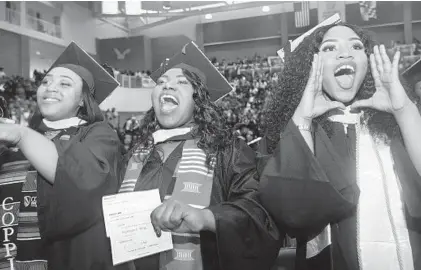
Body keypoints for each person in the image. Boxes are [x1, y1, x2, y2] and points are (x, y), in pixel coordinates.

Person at [258, 20, 421, 270]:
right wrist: (303, 119)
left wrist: (404, 110)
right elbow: (292, 211)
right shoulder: (304, 133)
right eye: (329, 48)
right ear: (312, 67)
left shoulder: (396, 127)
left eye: (356, 47)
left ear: (367, 62)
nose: (345, 53)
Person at [116, 41, 281, 270]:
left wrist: (206, 218)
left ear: (199, 100)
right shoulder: (136, 154)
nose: (167, 87)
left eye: (181, 82)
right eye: (162, 82)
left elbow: (259, 214)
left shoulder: (227, 151)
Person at [0, 42, 123, 270]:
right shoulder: (17, 139)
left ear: (82, 100)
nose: (51, 87)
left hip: (68, 257)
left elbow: (82, 180)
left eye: (65, 83)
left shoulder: (97, 134)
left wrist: (20, 135)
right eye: (45, 82)